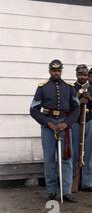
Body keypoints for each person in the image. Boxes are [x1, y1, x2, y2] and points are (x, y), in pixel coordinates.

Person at [30, 59, 80, 202]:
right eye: (53, 70)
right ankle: (51, 191)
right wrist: (48, 123)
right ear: (49, 71)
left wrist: (67, 123)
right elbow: (33, 110)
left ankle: (66, 191)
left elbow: (76, 108)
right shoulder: (42, 87)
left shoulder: (69, 87)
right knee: (49, 159)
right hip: (48, 125)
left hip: (64, 124)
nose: (56, 73)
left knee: (66, 158)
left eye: (58, 70)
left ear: (61, 71)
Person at [71, 64, 92, 192]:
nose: (82, 77)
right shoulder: (71, 89)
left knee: (89, 153)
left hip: (89, 121)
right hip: (75, 122)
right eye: (80, 74)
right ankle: (74, 180)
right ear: (76, 75)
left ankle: (88, 183)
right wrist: (79, 101)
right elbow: (67, 106)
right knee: (74, 153)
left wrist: (90, 99)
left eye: (85, 74)